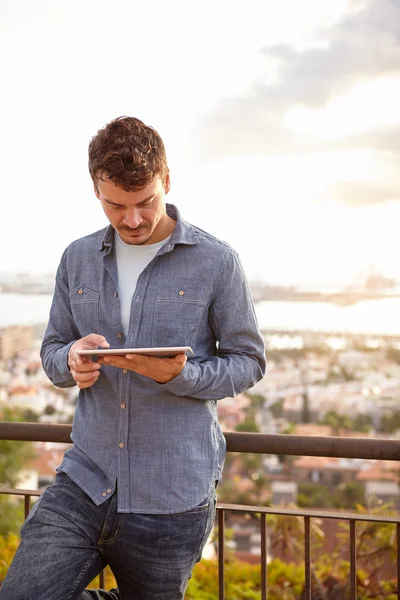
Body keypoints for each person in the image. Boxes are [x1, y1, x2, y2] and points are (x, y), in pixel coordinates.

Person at [0, 116, 266, 600]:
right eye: (116, 206)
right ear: (96, 191)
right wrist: (70, 362)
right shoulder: (75, 259)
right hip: (84, 481)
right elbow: (53, 349)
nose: (133, 220)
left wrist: (181, 375)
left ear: (167, 180)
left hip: (172, 498)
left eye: (145, 202)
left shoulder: (217, 261)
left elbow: (249, 362)